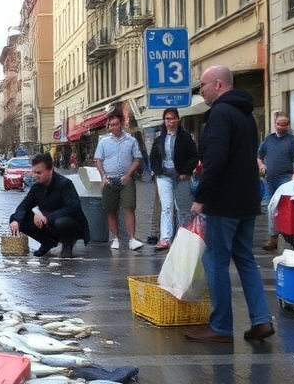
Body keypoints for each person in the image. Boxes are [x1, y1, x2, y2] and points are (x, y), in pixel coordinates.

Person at [187, 65, 274, 344]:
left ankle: (221, 326)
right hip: (247, 199)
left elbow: (215, 160)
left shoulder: (220, 114)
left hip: (223, 201)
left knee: (215, 261)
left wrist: (200, 197)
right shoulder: (246, 114)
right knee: (246, 260)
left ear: (218, 84)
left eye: (203, 85)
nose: (200, 91)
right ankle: (261, 320)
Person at [10, 153, 89, 258]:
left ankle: (67, 245)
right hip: (49, 222)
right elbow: (23, 206)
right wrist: (16, 220)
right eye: (33, 172)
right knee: (17, 218)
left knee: (61, 222)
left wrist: (47, 217)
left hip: (70, 224)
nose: (35, 175)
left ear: (50, 170)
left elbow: (73, 208)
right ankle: (47, 242)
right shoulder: (37, 187)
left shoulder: (65, 184)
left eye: (39, 172)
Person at [149, 108, 199, 251]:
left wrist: (186, 172)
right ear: (164, 121)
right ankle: (165, 239)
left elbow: (194, 156)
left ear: (178, 119)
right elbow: (153, 157)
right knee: (166, 207)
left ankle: (183, 237)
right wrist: (157, 171)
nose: (170, 122)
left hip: (181, 176)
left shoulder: (185, 137)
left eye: (172, 118)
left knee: (182, 208)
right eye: (167, 119)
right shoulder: (160, 138)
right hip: (164, 176)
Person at [94, 113, 144, 250]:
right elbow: (98, 160)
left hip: (126, 179)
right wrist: (103, 176)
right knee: (110, 209)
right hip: (109, 179)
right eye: (111, 125)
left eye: (116, 124)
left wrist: (128, 175)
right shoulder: (103, 141)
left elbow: (137, 159)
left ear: (121, 124)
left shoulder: (131, 140)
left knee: (129, 207)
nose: (114, 127)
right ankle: (115, 238)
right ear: (108, 126)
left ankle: (132, 239)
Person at [257, 113, 294, 251]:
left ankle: (286, 236)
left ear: (288, 125)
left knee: (284, 208)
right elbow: (259, 156)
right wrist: (261, 165)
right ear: (275, 124)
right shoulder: (269, 139)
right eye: (278, 124)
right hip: (269, 179)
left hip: (285, 179)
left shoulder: (291, 140)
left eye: (283, 125)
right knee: (270, 207)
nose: (280, 127)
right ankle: (273, 237)